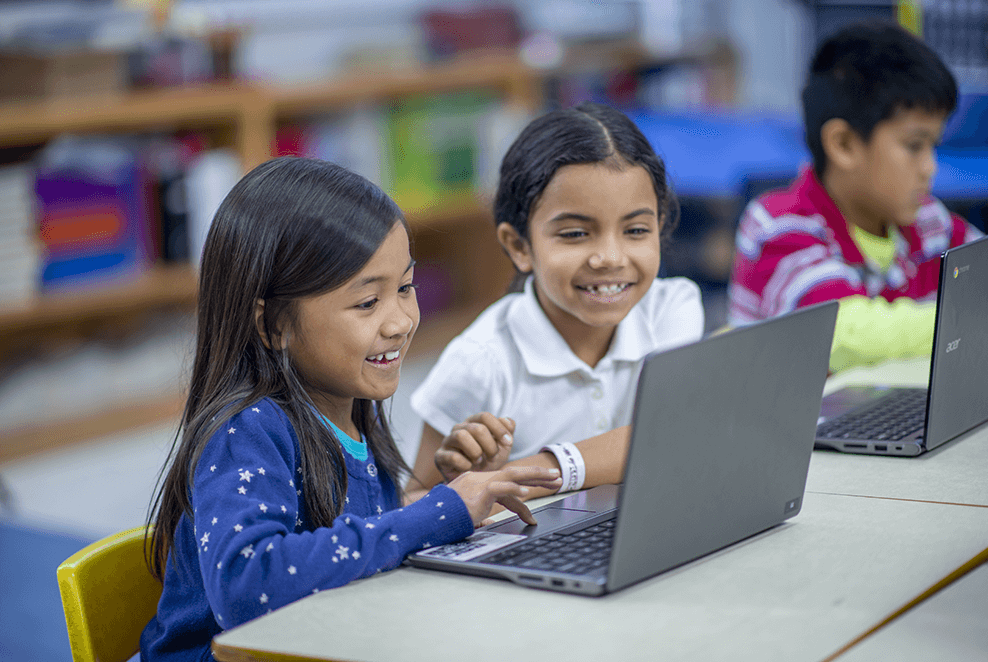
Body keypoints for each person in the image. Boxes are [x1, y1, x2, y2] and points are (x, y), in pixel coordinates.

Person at [141, 157, 561, 662]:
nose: (401, 322)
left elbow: (353, 541)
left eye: (405, 288)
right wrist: (436, 514)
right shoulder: (244, 430)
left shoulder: (352, 411)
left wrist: (446, 490)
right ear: (272, 324)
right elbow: (246, 586)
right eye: (367, 303)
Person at [408, 103, 704, 500]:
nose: (611, 258)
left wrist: (516, 475)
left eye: (635, 230)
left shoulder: (672, 307)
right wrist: (462, 483)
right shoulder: (478, 363)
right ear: (519, 246)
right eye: (576, 234)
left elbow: (670, 434)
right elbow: (412, 502)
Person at [727, 21, 981, 372]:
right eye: (914, 146)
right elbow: (840, 333)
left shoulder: (928, 222)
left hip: (886, 414)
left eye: (933, 146)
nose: (930, 168)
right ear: (843, 144)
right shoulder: (779, 225)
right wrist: (971, 321)